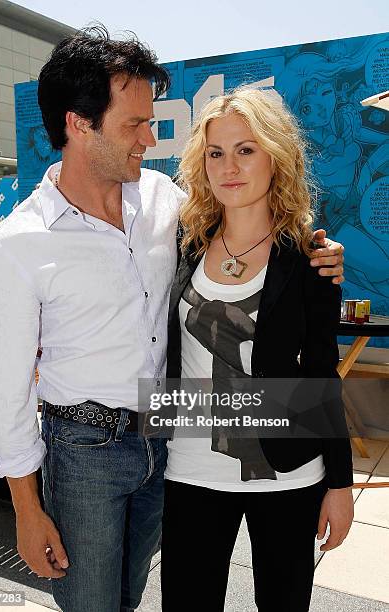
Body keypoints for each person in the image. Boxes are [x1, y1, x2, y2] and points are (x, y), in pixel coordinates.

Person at [0, 27, 345, 612]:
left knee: (131, 599)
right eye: (135, 125)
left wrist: (315, 251)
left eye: (150, 122)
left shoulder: (164, 203)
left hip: (165, 440)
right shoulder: (19, 245)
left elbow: (245, 222)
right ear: (79, 124)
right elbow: (10, 393)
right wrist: (26, 508)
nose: (150, 139)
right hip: (84, 449)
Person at [161, 87, 353, 612]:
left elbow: (320, 375)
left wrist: (339, 484)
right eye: (216, 153)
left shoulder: (310, 257)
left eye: (246, 149)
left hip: (288, 471)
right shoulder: (182, 244)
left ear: (276, 156)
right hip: (191, 466)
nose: (230, 166)